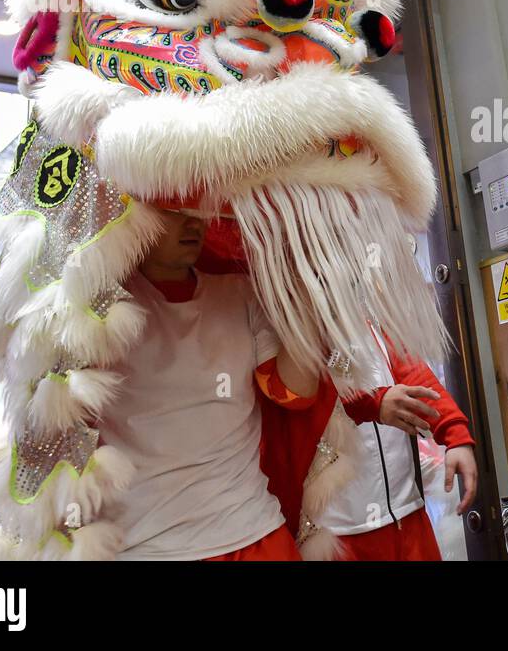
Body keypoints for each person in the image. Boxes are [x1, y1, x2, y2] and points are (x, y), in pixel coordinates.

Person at [97, 208, 349, 561]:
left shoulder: (239, 291)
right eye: (174, 211)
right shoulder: (94, 309)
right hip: (145, 545)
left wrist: (306, 298)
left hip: (253, 532)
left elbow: (292, 394)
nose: (193, 223)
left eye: (199, 211)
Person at [320, 322, 478, 561]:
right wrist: (374, 404)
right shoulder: (299, 328)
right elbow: (306, 405)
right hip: (341, 531)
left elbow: (415, 376)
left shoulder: (371, 322)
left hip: (407, 513)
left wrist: (456, 436)